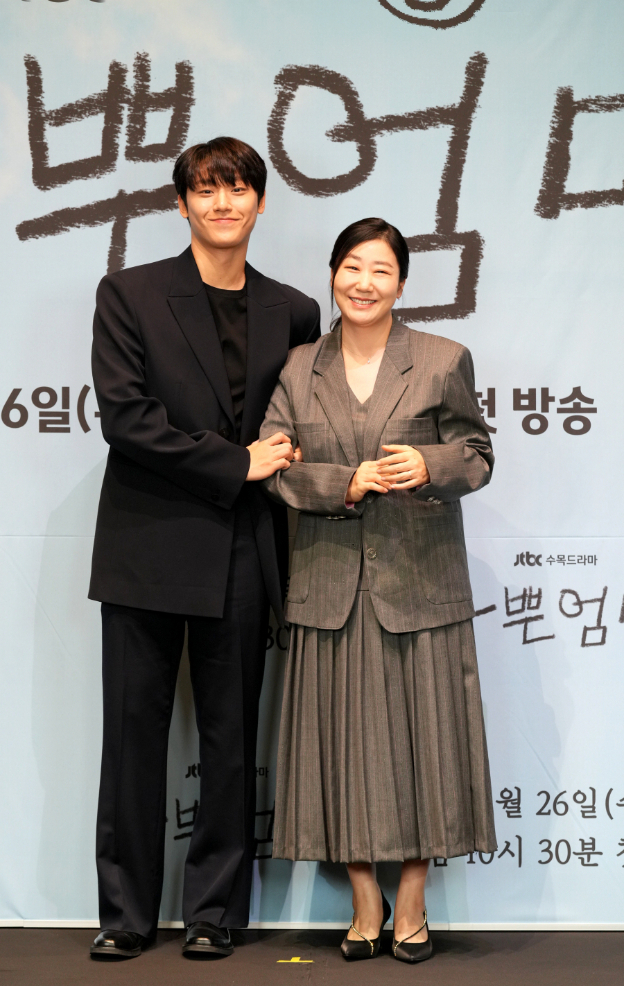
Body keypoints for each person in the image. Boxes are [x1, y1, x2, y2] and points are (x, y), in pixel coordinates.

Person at [88, 137, 319, 960]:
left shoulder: (294, 310)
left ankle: (215, 911)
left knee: (230, 738)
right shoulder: (130, 293)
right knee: (133, 737)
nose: (224, 203)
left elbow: (298, 423)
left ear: (261, 201)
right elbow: (127, 418)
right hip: (147, 542)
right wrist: (235, 463)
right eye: (207, 189)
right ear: (182, 203)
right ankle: (125, 915)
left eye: (239, 188)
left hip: (243, 547)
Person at [260, 217, 496, 964]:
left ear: (401, 283)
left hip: (420, 583)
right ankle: (366, 902)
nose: (363, 283)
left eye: (381, 271)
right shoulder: (299, 367)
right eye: (352, 267)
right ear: (333, 273)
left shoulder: (441, 359)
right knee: (338, 748)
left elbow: (477, 453)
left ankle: (413, 903)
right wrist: (343, 481)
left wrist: (429, 466)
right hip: (329, 586)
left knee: (429, 745)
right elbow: (274, 465)